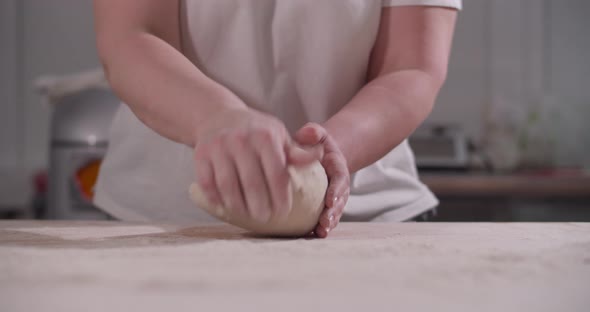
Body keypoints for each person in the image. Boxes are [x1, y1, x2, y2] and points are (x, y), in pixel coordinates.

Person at [93, 0, 461, 238]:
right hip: (161, 219)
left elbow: (411, 66)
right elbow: (132, 37)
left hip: (365, 222)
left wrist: (331, 155)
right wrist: (217, 116)